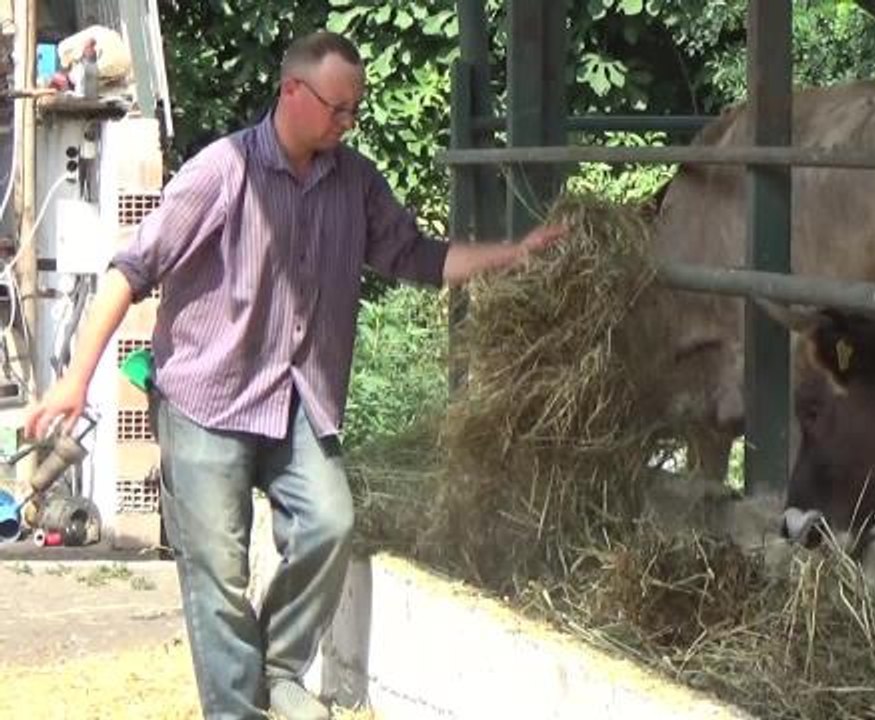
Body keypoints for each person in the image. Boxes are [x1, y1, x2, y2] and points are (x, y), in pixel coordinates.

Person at [25, 31, 564, 720]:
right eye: (339, 109)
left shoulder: (356, 180)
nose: (348, 123)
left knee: (330, 523)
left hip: (297, 399)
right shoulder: (220, 173)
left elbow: (418, 256)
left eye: (355, 111)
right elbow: (128, 273)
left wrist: (514, 254)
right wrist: (75, 380)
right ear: (291, 93)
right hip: (206, 402)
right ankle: (237, 710)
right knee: (216, 574)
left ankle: (277, 670)